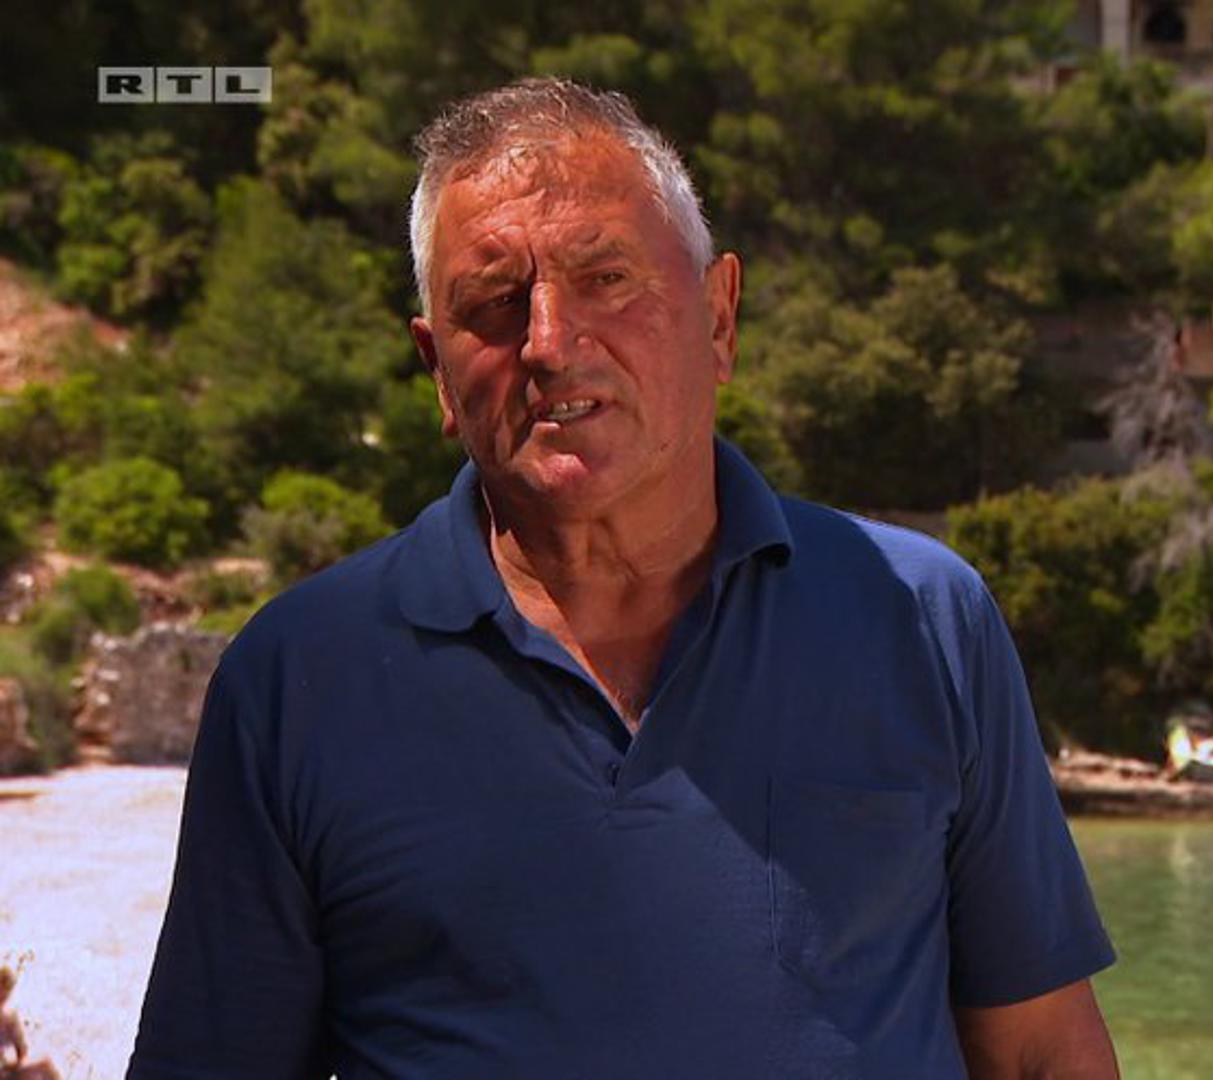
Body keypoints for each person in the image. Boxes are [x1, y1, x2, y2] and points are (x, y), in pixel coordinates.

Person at [128, 78, 1119, 1079]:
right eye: (494, 302)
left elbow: (1040, 1051)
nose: (549, 342)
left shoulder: (921, 618)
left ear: (719, 318)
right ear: (437, 371)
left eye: (605, 277)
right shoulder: (302, 680)